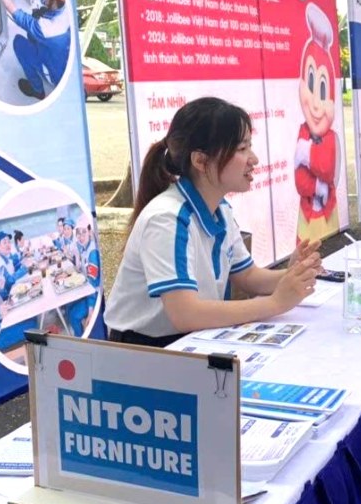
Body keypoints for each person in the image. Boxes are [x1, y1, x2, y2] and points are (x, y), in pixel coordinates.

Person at [104, 97, 322, 347]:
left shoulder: (220, 209)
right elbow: (185, 314)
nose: (253, 159)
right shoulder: (167, 219)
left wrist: (293, 275)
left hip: (191, 339)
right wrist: (275, 303)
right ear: (200, 161)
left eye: (249, 146)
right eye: (242, 149)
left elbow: (248, 276)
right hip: (146, 350)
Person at [295, 3, 339, 244]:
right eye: (310, 85)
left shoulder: (330, 137)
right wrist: (317, 187)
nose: (315, 104)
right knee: (303, 255)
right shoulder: (303, 131)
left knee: (332, 248)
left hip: (328, 213)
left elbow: (327, 167)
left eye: (322, 91)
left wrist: (307, 154)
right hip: (307, 214)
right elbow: (300, 182)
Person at [66, 213, 101, 336]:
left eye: (84, 232)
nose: (81, 237)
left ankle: (81, 339)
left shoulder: (92, 253)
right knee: (68, 307)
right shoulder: (84, 248)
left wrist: (91, 312)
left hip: (95, 296)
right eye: (78, 233)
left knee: (73, 315)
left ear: (90, 232)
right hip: (87, 291)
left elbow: (93, 285)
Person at [0, 231, 28, 298]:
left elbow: (12, 269)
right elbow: (9, 281)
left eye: (9, 242)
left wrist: (21, 263)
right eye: (4, 242)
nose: (8, 245)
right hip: (10, 295)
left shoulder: (7, 257)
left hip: (15, 290)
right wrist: (24, 268)